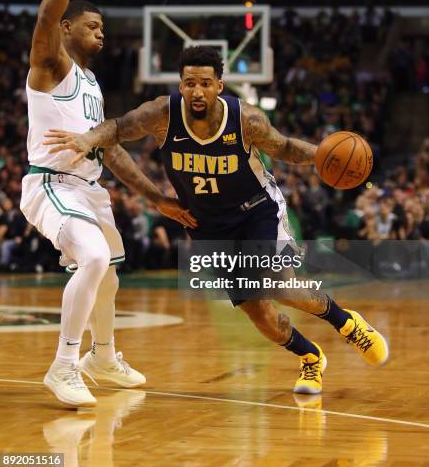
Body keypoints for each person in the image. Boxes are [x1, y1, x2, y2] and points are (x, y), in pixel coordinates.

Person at [44, 45, 389, 395]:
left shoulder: (246, 119)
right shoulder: (162, 115)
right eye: (189, 82)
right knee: (261, 316)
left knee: (277, 282)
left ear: (219, 86)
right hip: (208, 226)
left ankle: (347, 324)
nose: (197, 90)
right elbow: (117, 128)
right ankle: (310, 358)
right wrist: (89, 139)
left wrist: (321, 156)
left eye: (205, 83)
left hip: (256, 210)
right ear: (180, 85)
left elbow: (282, 147)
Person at [20, 0, 196, 407]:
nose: (102, 32)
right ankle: (64, 365)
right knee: (93, 258)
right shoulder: (50, 64)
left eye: (102, 27)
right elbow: (45, 15)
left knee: (110, 271)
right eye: (92, 25)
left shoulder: (92, 84)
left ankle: (103, 356)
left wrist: (157, 197)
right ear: (68, 28)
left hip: (88, 189)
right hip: (50, 183)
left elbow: (112, 151)